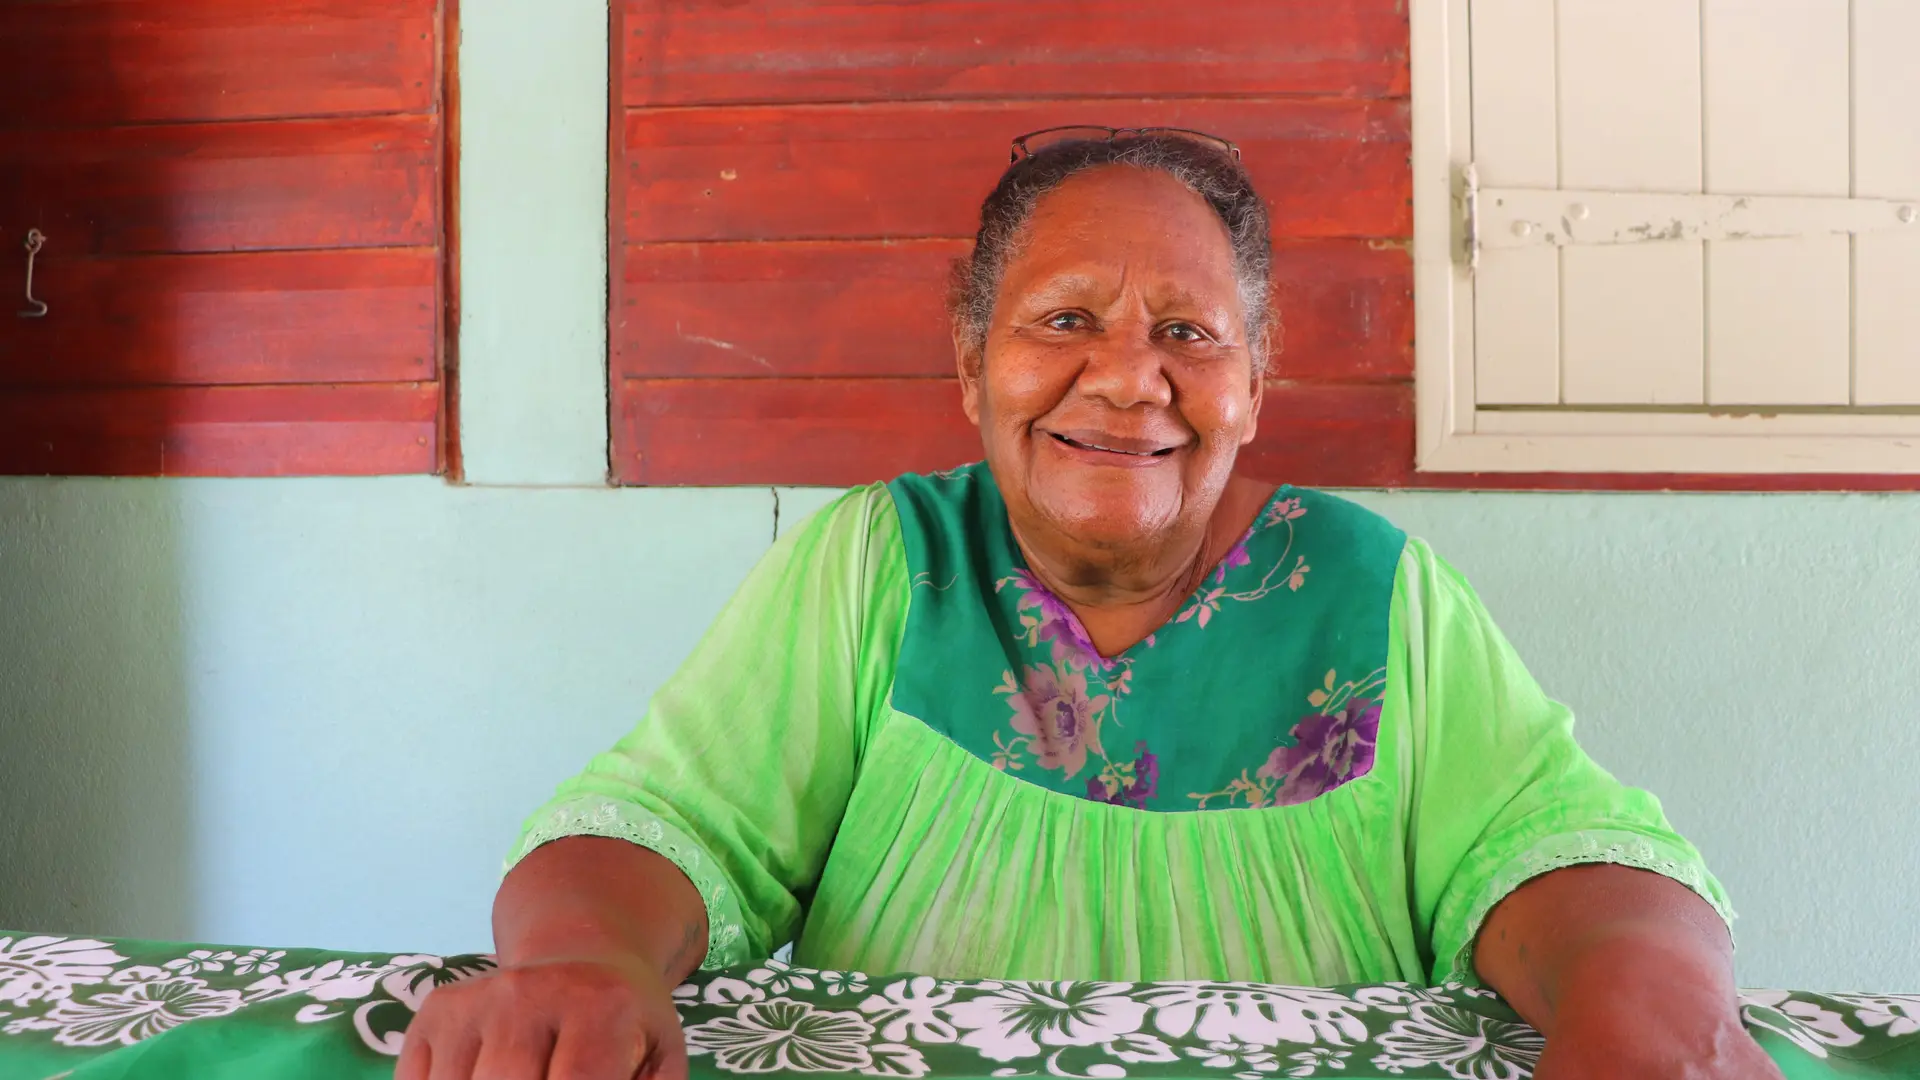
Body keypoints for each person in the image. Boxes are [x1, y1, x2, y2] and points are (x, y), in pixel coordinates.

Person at [399, 129, 1779, 1080]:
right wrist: (587, 960)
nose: (1130, 380)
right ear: (971, 360)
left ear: (1257, 380)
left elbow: (1565, 854)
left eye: (1188, 332)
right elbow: (666, 823)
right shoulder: (885, 562)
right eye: (1064, 320)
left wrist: (1643, 993)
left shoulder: (1372, 592)